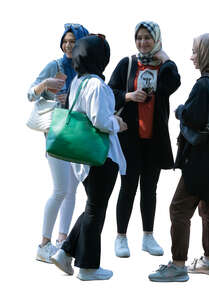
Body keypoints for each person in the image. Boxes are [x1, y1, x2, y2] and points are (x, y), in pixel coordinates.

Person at [148, 33, 209, 282]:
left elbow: (191, 115)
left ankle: (178, 265)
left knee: (178, 210)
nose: (193, 56)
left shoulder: (204, 85)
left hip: (199, 161)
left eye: (196, 51)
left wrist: (180, 110)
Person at [50, 35, 127, 281]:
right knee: (96, 211)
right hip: (100, 157)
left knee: (92, 206)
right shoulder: (98, 86)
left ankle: (66, 251)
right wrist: (119, 122)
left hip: (82, 157)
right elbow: (101, 121)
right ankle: (88, 268)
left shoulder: (79, 82)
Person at [108, 21, 181, 257]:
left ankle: (148, 237)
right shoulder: (127, 64)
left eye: (148, 37)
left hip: (154, 138)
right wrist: (128, 96)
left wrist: (166, 59)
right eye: (139, 37)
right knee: (128, 187)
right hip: (130, 137)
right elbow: (109, 94)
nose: (142, 42)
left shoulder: (164, 68)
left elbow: (174, 84)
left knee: (150, 189)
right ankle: (121, 237)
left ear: (157, 39)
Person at [27, 23, 89, 263]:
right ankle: (43, 244)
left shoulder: (84, 70)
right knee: (60, 189)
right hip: (56, 131)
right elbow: (30, 94)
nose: (68, 45)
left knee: (72, 190)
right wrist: (46, 87)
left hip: (76, 133)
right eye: (66, 41)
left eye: (73, 41)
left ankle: (62, 241)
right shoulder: (56, 66)